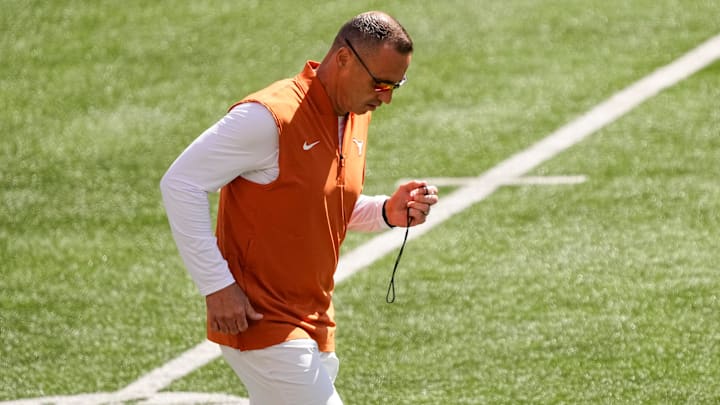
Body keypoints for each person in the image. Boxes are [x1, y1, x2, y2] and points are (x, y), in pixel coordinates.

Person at [160, 10, 438, 405]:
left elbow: (317, 204)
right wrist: (216, 286)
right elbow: (180, 183)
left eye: (397, 85)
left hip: (315, 320)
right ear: (343, 59)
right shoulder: (268, 118)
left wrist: (384, 213)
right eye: (380, 83)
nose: (387, 98)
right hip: (262, 321)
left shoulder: (354, 116)